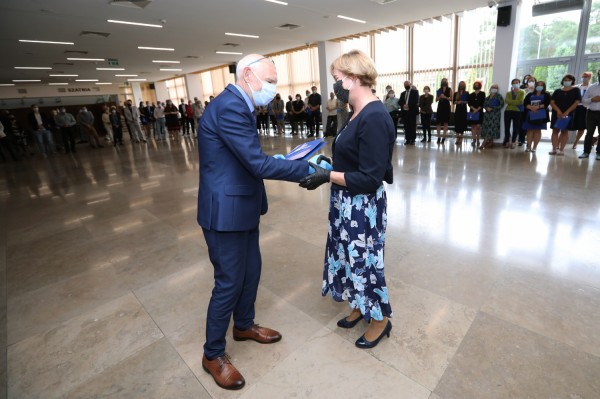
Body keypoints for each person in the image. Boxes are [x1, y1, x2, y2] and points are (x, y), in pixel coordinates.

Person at [197, 54, 313, 390]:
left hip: (242, 206)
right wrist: (306, 169)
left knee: (252, 271)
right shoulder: (231, 105)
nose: (273, 88)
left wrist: (279, 160)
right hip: (225, 213)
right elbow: (256, 164)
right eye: (271, 80)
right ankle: (213, 354)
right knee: (229, 281)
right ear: (248, 75)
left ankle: (244, 325)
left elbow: (244, 158)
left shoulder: (240, 103)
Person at [299, 49, 394, 351]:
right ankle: (359, 304)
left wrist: (328, 177)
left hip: (362, 206)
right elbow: (354, 157)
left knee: (365, 263)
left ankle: (380, 319)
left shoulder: (375, 116)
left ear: (353, 79)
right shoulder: (355, 112)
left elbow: (369, 177)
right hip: (346, 202)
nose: (335, 86)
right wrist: (331, 162)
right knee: (348, 257)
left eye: (338, 79)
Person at [549, 74, 580, 156]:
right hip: (557, 113)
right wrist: (558, 111)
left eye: (569, 80)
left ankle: (561, 150)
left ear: (572, 81)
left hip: (568, 114)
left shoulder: (576, 90)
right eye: (565, 80)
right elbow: (552, 102)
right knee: (555, 131)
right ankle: (554, 149)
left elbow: (576, 102)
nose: (567, 81)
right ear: (562, 81)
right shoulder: (557, 91)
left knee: (564, 131)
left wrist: (566, 112)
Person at [522, 81, 551, 153]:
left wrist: (537, 107)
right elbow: (525, 103)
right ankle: (528, 146)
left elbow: (547, 103)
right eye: (538, 85)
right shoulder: (530, 94)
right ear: (535, 86)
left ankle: (534, 147)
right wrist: (531, 107)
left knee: (538, 131)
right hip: (530, 114)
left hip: (541, 115)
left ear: (544, 86)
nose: (539, 86)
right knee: (530, 130)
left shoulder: (547, 94)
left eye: (541, 85)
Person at [578, 69, 600, 160]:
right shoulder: (592, 87)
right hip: (591, 113)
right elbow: (583, 101)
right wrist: (592, 99)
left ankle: (599, 153)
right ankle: (586, 152)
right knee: (589, 133)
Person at [479, 84, 504, 150]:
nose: (494, 88)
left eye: (495, 87)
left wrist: (493, 108)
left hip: (495, 115)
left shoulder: (499, 97)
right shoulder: (487, 97)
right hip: (487, 115)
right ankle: (490, 142)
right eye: (493, 87)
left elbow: (501, 105)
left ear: (497, 89)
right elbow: (484, 104)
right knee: (486, 128)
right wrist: (486, 108)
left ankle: (483, 143)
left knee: (491, 128)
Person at [572, 72, 592, 149]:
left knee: (581, 127)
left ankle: (575, 142)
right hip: (575, 107)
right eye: (583, 76)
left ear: (589, 77)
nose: (584, 78)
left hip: (585, 108)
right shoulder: (576, 87)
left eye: (586, 76)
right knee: (571, 124)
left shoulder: (591, 87)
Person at [503, 78, 525, 149]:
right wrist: (514, 102)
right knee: (507, 127)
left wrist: (511, 102)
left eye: (517, 82)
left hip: (517, 111)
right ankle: (507, 140)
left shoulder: (522, 92)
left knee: (516, 127)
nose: (515, 84)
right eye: (514, 83)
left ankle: (513, 141)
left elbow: (520, 101)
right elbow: (506, 101)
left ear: (519, 84)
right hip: (508, 111)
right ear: (512, 84)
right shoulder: (508, 93)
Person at [399, 80, 419, 145]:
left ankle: (413, 139)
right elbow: (400, 101)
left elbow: (416, 100)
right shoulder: (402, 93)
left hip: (412, 111)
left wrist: (408, 105)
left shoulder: (415, 92)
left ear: (410, 84)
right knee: (406, 126)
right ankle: (407, 139)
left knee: (412, 126)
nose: (406, 85)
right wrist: (403, 105)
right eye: (405, 85)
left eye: (407, 84)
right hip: (405, 112)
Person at [468, 81, 486, 148]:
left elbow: (483, 102)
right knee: (473, 127)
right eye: (475, 85)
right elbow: (469, 103)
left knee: (478, 127)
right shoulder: (471, 94)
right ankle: (474, 140)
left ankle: (478, 140)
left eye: (477, 85)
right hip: (472, 112)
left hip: (480, 111)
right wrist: (473, 109)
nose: (476, 86)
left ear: (480, 86)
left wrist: (477, 109)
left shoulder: (482, 93)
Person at [436, 78, 452, 144]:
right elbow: (436, 99)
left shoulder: (449, 89)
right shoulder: (439, 90)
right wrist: (440, 97)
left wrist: (445, 97)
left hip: (446, 107)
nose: (444, 81)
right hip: (440, 107)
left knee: (446, 123)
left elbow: (451, 99)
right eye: (443, 80)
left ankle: (444, 137)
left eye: (445, 80)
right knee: (438, 123)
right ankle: (439, 137)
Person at [453, 81, 469, 146]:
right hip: (458, 110)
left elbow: (468, 101)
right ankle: (457, 138)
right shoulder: (456, 93)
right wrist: (457, 102)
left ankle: (461, 139)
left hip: (463, 110)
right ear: (459, 85)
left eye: (463, 84)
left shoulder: (466, 93)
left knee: (462, 124)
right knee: (457, 123)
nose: (461, 85)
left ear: (464, 86)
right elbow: (453, 102)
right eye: (460, 84)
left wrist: (462, 101)